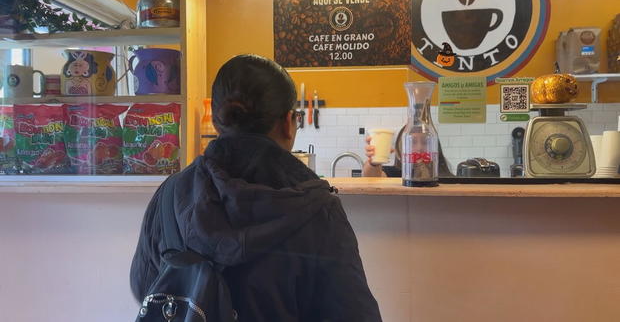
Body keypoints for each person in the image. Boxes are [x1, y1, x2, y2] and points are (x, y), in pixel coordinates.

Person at [130, 54, 382, 322]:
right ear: (288, 122)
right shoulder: (317, 208)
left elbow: (144, 285)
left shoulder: (172, 194)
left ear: (217, 121)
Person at [362, 126, 453, 178]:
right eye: (412, 142)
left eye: (425, 142)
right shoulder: (395, 174)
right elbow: (371, 178)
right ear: (401, 148)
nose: (419, 148)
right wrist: (374, 162)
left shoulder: (443, 175)